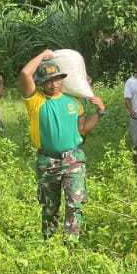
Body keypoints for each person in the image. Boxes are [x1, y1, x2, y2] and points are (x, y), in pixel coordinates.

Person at [20, 50, 105, 241]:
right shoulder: (35, 102)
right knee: (50, 207)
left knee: (75, 205)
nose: (54, 83)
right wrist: (43, 54)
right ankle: (49, 243)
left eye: (57, 79)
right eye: (49, 80)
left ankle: (71, 245)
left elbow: (82, 129)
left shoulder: (74, 101)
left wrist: (100, 112)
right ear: (41, 83)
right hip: (47, 160)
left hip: (73, 159)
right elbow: (26, 74)